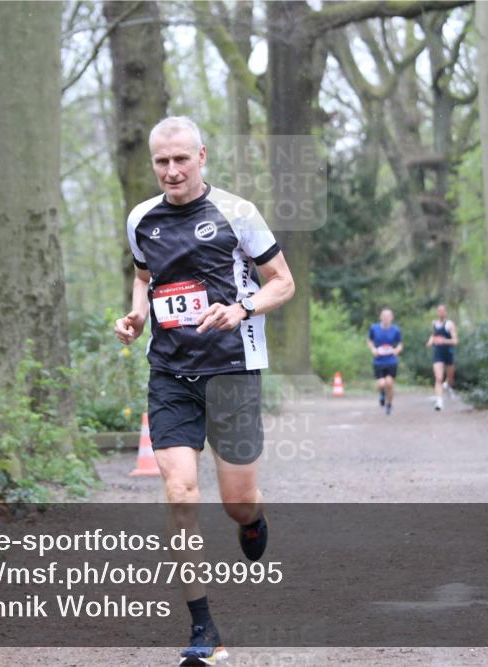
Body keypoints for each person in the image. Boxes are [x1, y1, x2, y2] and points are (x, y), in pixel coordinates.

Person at [113, 116, 294, 666]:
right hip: (170, 373)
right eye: (161, 161)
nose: (171, 170)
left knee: (237, 501)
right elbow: (144, 277)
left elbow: (282, 282)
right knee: (181, 493)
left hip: (233, 370)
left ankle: (253, 519)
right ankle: (203, 628)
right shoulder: (141, 218)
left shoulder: (238, 213)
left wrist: (241, 308)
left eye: (181, 159)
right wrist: (136, 316)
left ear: (202, 156)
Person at [367, 309, 402, 415]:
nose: (386, 318)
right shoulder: (374, 328)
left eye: (388, 316)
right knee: (381, 384)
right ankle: (382, 393)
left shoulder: (395, 330)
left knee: (389, 383)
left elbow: (400, 344)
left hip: (391, 361)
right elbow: (369, 341)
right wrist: (373, 349)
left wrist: (397, 350)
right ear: (380, 317)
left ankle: (389, 404)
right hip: (378, 361)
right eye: (384, 316)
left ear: (392, 318)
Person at [425, 304, 457, 411]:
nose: (441, 313)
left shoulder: (450, 324)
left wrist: (444, 341)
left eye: (442, 311)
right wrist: (430, 342)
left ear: (446, 312)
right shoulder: (434, 323)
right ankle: (439, 402)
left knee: (450, 379)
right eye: (439, 311)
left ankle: (448, 386)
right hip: (438, 354)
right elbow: (433, 335)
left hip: (448, 354)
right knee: (438, 378)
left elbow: (455, 341)